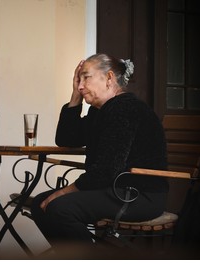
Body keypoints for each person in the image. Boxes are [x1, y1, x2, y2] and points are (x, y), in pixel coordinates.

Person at [31, 53, 169, 249]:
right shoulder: (101, 111)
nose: (80, 85)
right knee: (40, 203)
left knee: (59, 208)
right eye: (78, 80)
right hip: (115, 190)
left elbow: (106, 170)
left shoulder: (124, 108)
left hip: (139, 195)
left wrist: (64, 192)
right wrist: (75, 97)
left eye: (86, 77)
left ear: (109, 78)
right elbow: (67, 139)